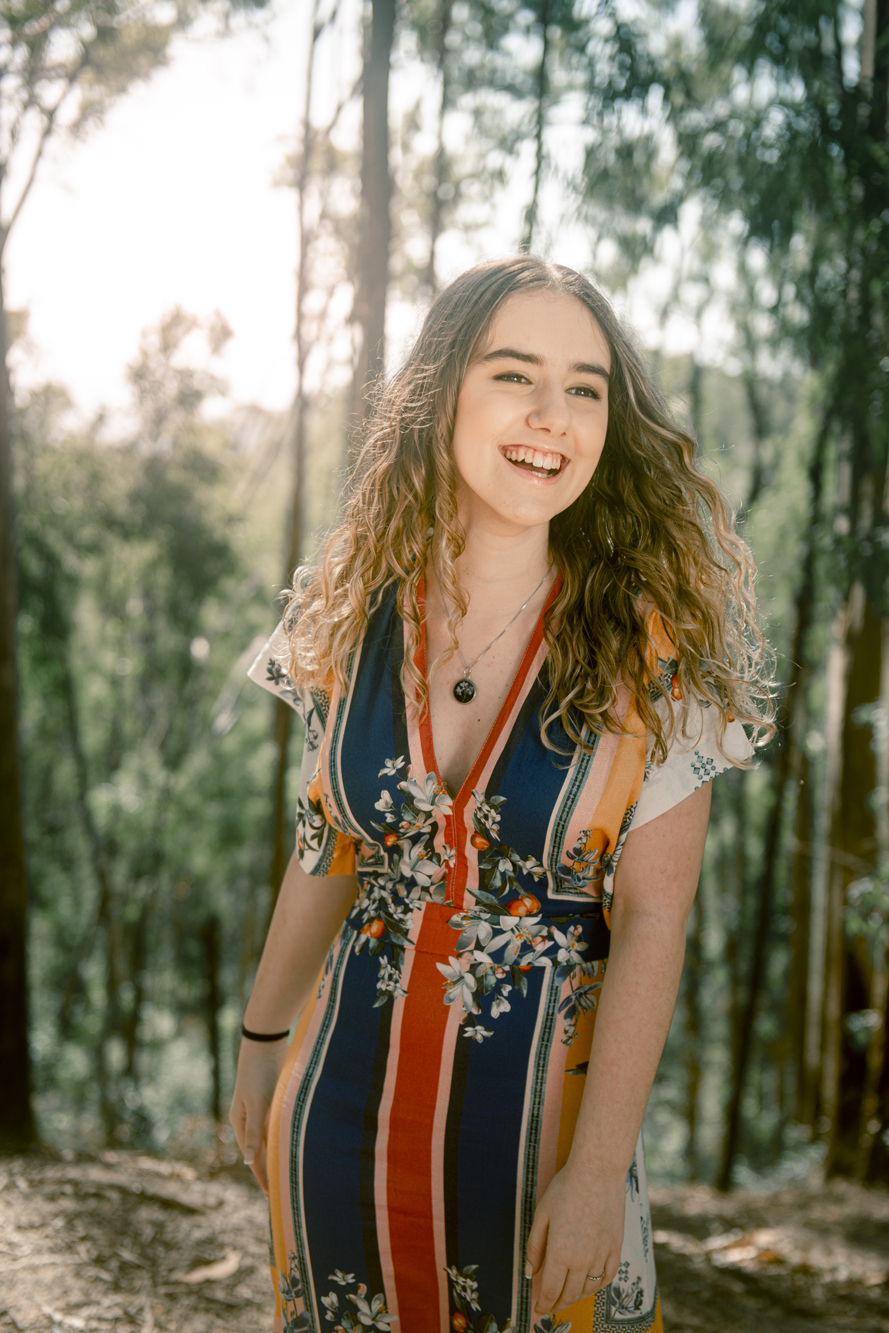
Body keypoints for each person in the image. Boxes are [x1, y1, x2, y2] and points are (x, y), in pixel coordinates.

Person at [230, 256, 772, 1333]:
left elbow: (655, 921)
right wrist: (258, 1049)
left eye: (585, 388)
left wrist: (596, 1172)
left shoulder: (656, 658)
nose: (550, 416)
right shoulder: (348, 613)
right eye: (513, 373)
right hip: (337, 1111)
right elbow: (322, 853)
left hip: (543, 1138)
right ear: (443, 394)